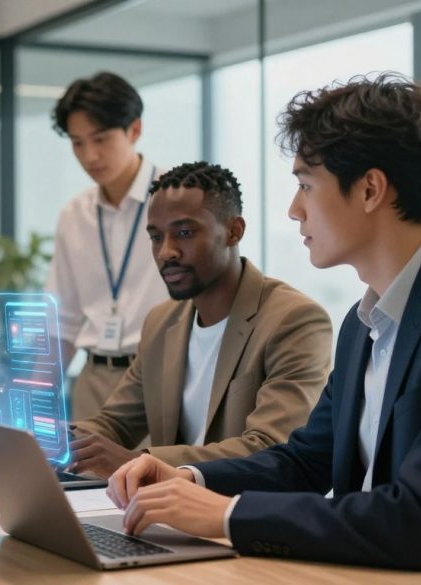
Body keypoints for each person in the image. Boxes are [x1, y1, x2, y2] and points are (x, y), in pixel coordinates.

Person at [106, 74, 421, 584]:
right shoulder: (363, 320)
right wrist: (189, 478)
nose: (293, 209)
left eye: (305, 184)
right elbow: (307, 461)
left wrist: (225, 516)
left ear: (370, 189)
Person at [69, 162, 332, 479]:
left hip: (242, 516)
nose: (166, 251)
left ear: (234, 231)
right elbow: (115, 423)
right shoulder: (161, 322)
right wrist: (50, 439)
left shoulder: (294, 320)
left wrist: (141, 460)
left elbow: (271, 447)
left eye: (184, 233)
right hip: (164, 514)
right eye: (155, 236)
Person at [46, 72, 169, 421]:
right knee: (86, 476)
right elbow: (64, 321)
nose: (90, 155)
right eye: (77, 143)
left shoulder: (177, 198)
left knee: (157, 474)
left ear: (135, 130)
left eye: (100, 139)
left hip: (164, 375)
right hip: (93, 378)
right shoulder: (75, 215)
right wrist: (32, 401)